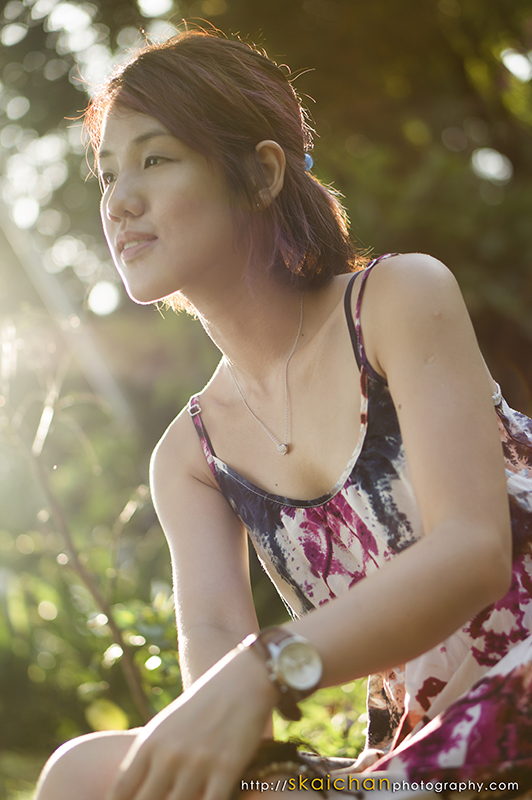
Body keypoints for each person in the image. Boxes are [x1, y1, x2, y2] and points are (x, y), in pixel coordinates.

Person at [35, 28, 532, 800]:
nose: (119, 199)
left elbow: (473, 550)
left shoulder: (398, 300)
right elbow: (227, 715)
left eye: (155, 159)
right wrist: (230, 704)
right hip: (428, 759)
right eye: (106, 174)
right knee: (86, 776)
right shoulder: (191, 459)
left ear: (262, 173)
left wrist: (268, 664)